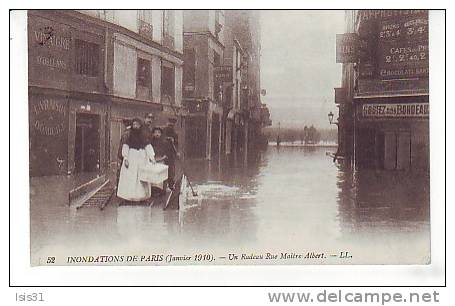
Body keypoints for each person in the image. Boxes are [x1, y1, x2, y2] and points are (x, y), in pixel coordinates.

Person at [117, 118, 155, 202]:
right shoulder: (129, 135)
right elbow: (126, 146)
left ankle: (141, 197)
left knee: (141, 177)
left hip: (142, 158)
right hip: (132, 157)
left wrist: (152, 157)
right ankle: (129, 196)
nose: (135, 126)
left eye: (137, 125)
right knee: (130, 177)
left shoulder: (144, 136)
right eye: (134, 125)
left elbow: (147, 146)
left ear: (140, 125)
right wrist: (126, 158)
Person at [115, 119, 132, 189]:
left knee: (122, 174)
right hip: (129, 157)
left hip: (125, 157)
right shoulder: (130, 133)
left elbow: (122, 147)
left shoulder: (126, 133)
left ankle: (120, 189)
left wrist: (121, 156)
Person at [163, 117, 179, 189]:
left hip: (171, 154)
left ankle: (171, 185)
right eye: (169, 125)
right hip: (163, 153)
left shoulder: (175, 134)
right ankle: (163, 185)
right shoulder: (163, 131)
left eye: (172, 125)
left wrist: (177, 152)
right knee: (163, 169)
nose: (170, 126)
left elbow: (176, 144)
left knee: (171, 170)